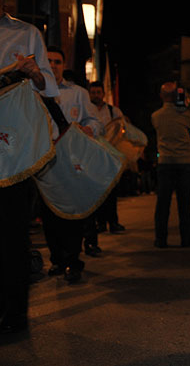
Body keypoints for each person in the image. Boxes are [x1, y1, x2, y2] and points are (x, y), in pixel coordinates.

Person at [0, 0, 58, 334]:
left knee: (11, 233)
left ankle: (15, 314)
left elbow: (48, 86)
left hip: (13, 148)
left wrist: (35, 72)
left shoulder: (25, 33)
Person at [43, 46, 103, 278]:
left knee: (72, 210)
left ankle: (73, 260)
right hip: (44, 161)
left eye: (57, 61)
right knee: (49, 213)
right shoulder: (33, 91)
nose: (53, 65)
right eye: (48, 61)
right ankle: (57, 259)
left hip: (72, 160)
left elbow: (95, 122)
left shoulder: (78, 93)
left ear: (63, 65)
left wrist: (88, 129)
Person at [151, 81, 190, 248]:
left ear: (161, 96)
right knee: (184, 203)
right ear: (177, 96)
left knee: (163, 203)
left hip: (165, 163)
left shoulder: (156, 116)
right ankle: (186, 237)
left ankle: (161, 239)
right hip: (184, 163)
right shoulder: (184, 114)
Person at [88, 81, 126, 234]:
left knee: (111, 191)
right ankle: (100, 223)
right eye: (93, 93)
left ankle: (113, 222)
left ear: (103, 94)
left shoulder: (113, 111)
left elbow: (121, 129)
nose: (96, 95)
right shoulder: (86, 109)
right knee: (97, 191)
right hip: (92, 157)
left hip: (110, 157)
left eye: (98, 92)